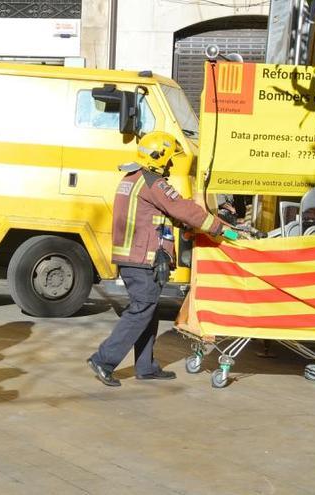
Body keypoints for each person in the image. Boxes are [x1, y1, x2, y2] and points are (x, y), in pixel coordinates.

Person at [87, 131, 233, 386]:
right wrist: (219, 227)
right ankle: (104, 359)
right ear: (159, 156)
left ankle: (146, 366)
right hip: (143, 258)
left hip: (134, 256)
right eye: (169, 158)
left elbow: (160, 214)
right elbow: (182, 208)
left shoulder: (132, 178)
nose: (170, 164)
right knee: (141, 310)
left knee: (148, 311)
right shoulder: (152, 181)